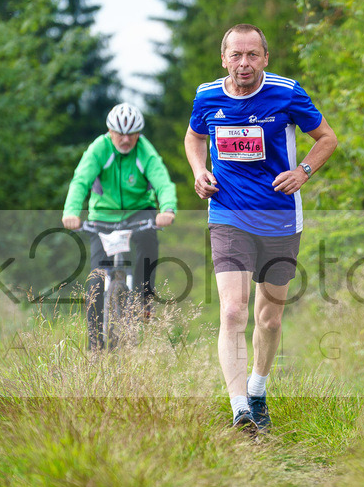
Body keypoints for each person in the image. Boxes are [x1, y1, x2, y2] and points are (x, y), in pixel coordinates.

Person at [184, 24, 338, 433]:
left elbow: (326, 138)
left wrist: (302, 171)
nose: (244, 63)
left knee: (268, 319)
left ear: (265, 59)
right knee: (232, 311)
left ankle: (258, 389)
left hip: (279, 218)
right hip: (228, 214)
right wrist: (199, 171)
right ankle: (240, 410)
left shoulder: (286, 93)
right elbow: (194, 137)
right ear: (224, 59)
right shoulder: (207, 96)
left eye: (253, 55)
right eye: (236, 55)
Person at [62, 102, 177, 349]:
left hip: (138, 211)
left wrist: (167, 209)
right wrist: (70, 212)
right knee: (95, 279)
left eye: (131, 134)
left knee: (148, 241)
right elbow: (80, 181)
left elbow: (163, 182)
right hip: (103, 215)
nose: (125, 139)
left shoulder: (145, 151)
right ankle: (95, 347)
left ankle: (145, 298)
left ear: (139, 134)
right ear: (109, 131)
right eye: (119, 134)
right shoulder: (99, 149)